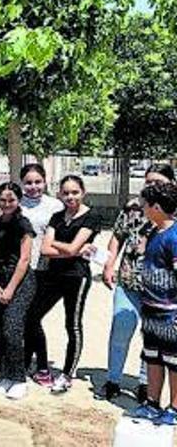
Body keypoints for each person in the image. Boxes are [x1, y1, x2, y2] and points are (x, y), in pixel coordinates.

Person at [99, 164, 173, 402]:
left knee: (151, 339)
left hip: (161, 291)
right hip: (129, 281)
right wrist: (109, 265)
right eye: (148, 181)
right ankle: (113, 380)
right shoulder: (133, 206)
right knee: (121, 328)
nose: (150, 185)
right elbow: (117, 237)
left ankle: (145, 385)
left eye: (157, 182)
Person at [25, 175, 101, 394]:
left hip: (77, 277)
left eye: (75, 192)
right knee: (32, 316)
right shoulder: (57, 216)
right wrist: (71, 248)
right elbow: (45, 249)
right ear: (59, 194)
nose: (70, 197)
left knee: (73, 325)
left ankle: (67, 374)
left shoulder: (90, 217)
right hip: (53, 275)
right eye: (66, 193)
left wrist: (66, 247)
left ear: (83, 192)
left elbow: (67, 249)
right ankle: (40, 363)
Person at [130, 182, 177, 424]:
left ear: (156, 207)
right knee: (152, 357)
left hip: (171, 314)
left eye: (145, 205)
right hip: (150, 309)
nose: (143, 209)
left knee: (174, 361)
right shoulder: (153, 232)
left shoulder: (174, 236)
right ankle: (152, 402)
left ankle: (175, 408)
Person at [0, 182, 36, 400]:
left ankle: (18, 378)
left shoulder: (23, 225)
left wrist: (10, 288)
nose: (7, 204)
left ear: (18, 201)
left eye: (11, 200)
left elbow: (24, 259)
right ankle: (3, 374)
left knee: (12, 328)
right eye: (3, 200)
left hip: (20, 282)